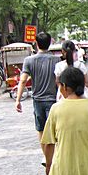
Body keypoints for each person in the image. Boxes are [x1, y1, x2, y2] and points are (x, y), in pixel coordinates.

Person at [16, 32, 61, 164]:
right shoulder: (57, 60)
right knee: (55, 130)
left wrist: (18, 100)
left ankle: (47, 158)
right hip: (54, 100)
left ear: (36, 43)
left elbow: (23, 81)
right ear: (50, 43)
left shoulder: (29, 60)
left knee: (41, 129)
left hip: (38, 101)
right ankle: (55, 156)